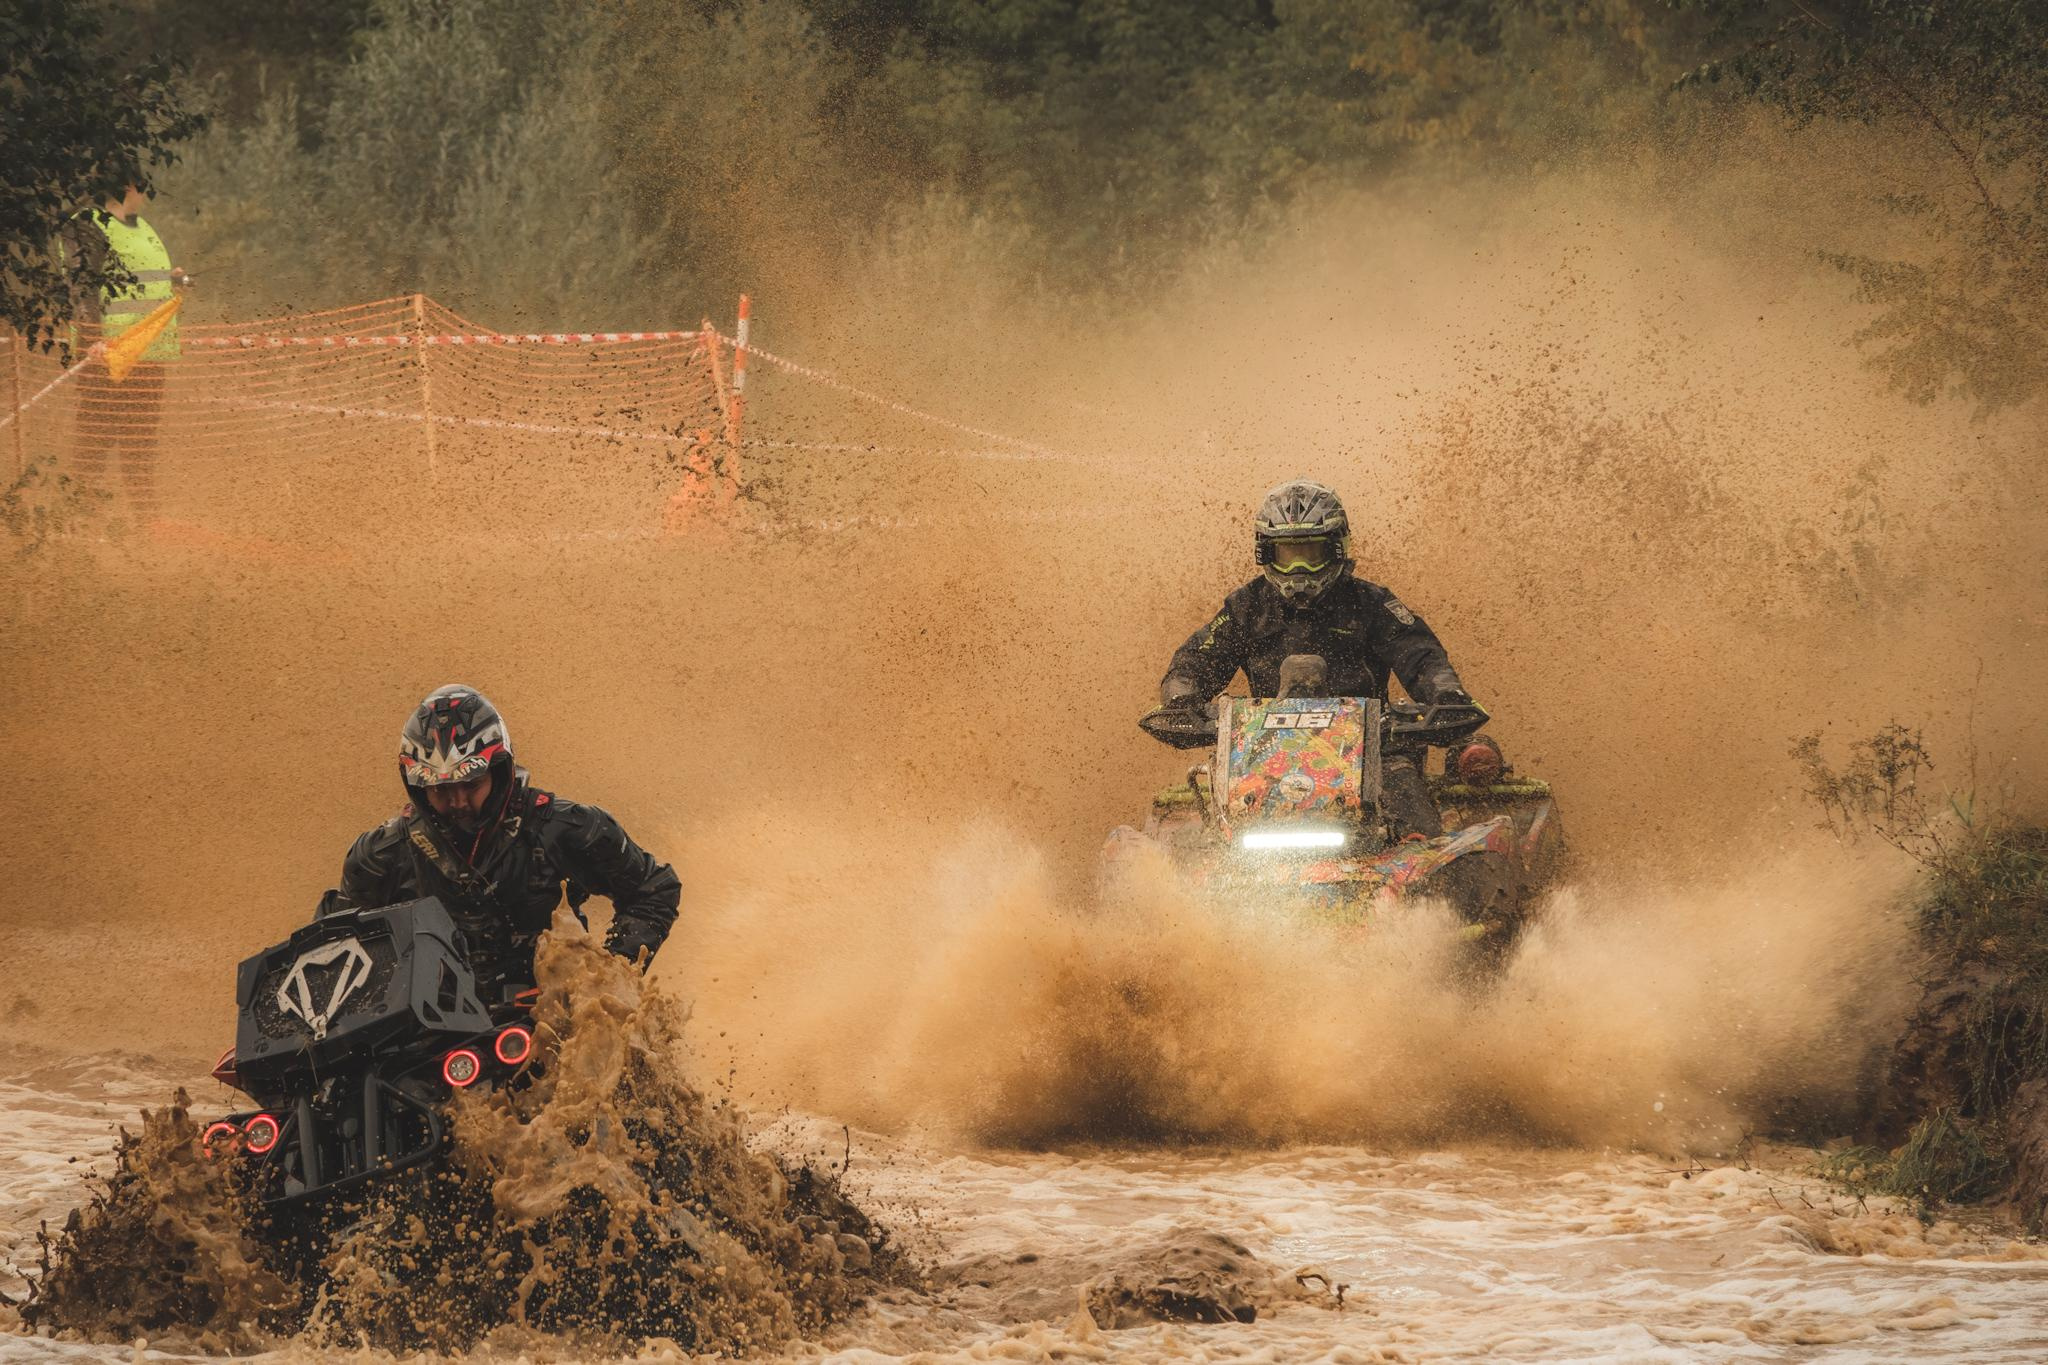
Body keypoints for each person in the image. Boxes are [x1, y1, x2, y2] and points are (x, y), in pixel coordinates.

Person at [1154, 479, 1476, 837]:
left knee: (1420, 828)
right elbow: (1196, 660)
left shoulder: (1372, 604)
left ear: (1337, 549)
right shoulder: (1247, 608)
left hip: (1377, 754)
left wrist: (1445, 694)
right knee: (1201, 840)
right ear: (1266, 554)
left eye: (1310, 554)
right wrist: (1180, 697)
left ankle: (1421, 885)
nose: (1299, 571)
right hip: (1261, 760)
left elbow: (1423, 657)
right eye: (1288, 557)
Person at [316, 685, 681, 994]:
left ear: (500, 771)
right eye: (441, 789)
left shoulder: (566, 827)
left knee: (632, 1069)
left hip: (549, 1017)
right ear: (416, 786)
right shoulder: (381, 855)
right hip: (426, 1037)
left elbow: (654, 888)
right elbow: (329, 946)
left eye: (471, 784)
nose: (458, 802)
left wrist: (609, 975)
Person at [62, 184, 188, 521]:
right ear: (129, 186)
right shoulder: (88, 222)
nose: (147, 194)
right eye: (144, 185)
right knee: (95, 441)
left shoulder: (143, 227)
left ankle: (146, 522)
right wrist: (91, 338)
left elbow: (136, 281)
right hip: (107, 354)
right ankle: (78, 521)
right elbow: (82, 284)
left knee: (140, 443)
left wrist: (171, 280)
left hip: (147, 353)